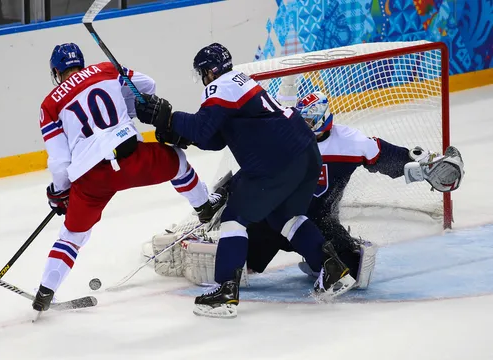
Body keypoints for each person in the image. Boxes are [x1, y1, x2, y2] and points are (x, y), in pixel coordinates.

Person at [150, 91, 465, 293]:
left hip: (321, 224)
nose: (309, 126)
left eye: (314, 121)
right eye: (305, 120)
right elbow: (256, 173)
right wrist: (228, 193)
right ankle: (201, 246)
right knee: (237, 269)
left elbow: (386, 157)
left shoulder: (351, 142)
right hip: (272, 223)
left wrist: (422, 167)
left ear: (327, 118)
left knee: (353, 270)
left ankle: (317, 261)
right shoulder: (285, 137)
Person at [135, 43, 355, 318]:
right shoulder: (242, 82)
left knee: (233, 219)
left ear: (208, 72)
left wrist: (165, 116)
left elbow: (202, 129)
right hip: (307, 154)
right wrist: (172, 130)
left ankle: (225, 292)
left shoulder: (220, 86)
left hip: (278, 160)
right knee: (284, 216)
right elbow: (214, 139)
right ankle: (333, 270)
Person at [32, 43, 226, 315]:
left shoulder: (49, 104)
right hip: (129, 159)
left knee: (72, 236)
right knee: (178, 161)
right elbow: (148, 85)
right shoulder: (105, 69)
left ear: (56, 71)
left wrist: (60, 192)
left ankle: (45, 292)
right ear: (82, 62)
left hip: (90, 179)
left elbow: (60, 161)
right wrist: (127, 106)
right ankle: (205, 207)